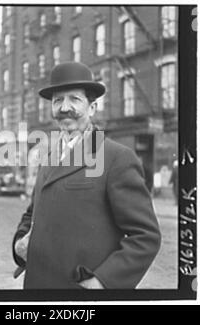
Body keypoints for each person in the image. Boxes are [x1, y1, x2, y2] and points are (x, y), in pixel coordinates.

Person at [12, 62, 161, 289]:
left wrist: (102, 281)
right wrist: (19, 243)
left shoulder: (116, 157)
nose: (64, 108)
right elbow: (33, 212)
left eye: (74, 99)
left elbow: (146, 236)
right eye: (58, 100)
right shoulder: (49, 156)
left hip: (79, 294)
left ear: (92, 108)